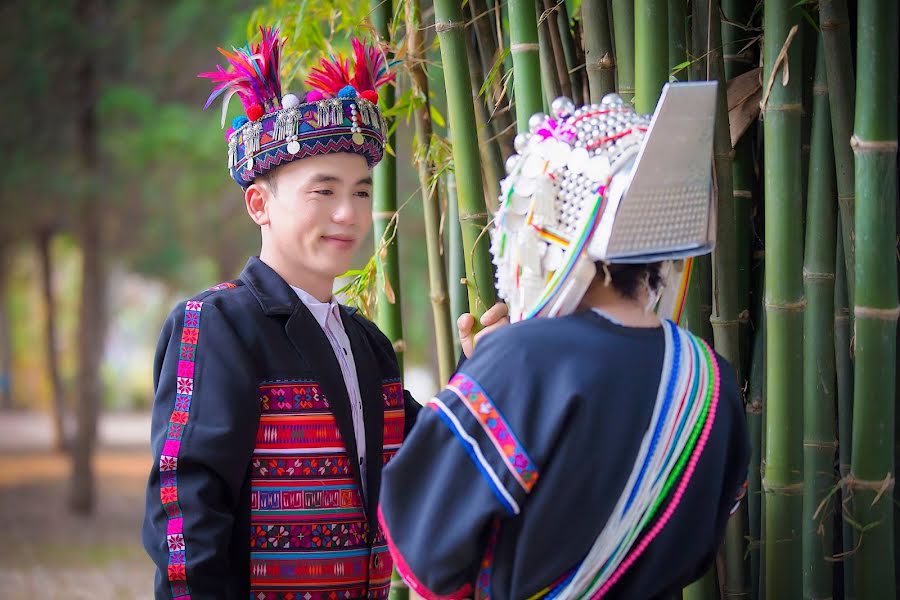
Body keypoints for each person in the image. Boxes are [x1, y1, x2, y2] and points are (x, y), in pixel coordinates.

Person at [141, 28, 506, 599]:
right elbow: (188, 513)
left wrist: (488, 372)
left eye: (362, 192)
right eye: (323, 190)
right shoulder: (218, 324)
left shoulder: (367, 343)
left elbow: (428, 462)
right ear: (259, 203)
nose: (348, 213)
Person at [377, 83, 751, 600]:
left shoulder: (524, 360)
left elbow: (427, 547)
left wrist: (488, 377)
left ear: (554, 226)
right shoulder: (711, 379)